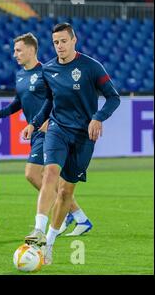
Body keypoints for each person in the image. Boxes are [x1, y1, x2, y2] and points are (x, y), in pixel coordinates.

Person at [22, 23, 120, 265]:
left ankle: (50, 243)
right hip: (57, 129)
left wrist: (98, 118)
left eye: (64, 41)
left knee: (66, 191)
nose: (60, 46)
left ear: (74, 41)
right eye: (56, 42)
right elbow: (48, 101)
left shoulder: (91, 67)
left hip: (83, 137)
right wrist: (34, 124)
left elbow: (113, 97)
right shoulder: (49, 69)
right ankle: (38, 229)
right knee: (50, 174)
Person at [0, 33, 93, 236]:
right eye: (14, 50)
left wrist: (48, 121)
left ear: (31, 50)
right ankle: (78, 216)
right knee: (48, 179)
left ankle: (63, 215)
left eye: (18, 50)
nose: (15, 54)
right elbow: (18, 102)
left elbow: (56, 99)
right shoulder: (20, 76)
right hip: (35, 132)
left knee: (33, 174)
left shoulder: (48, 71)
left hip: (51, 130)